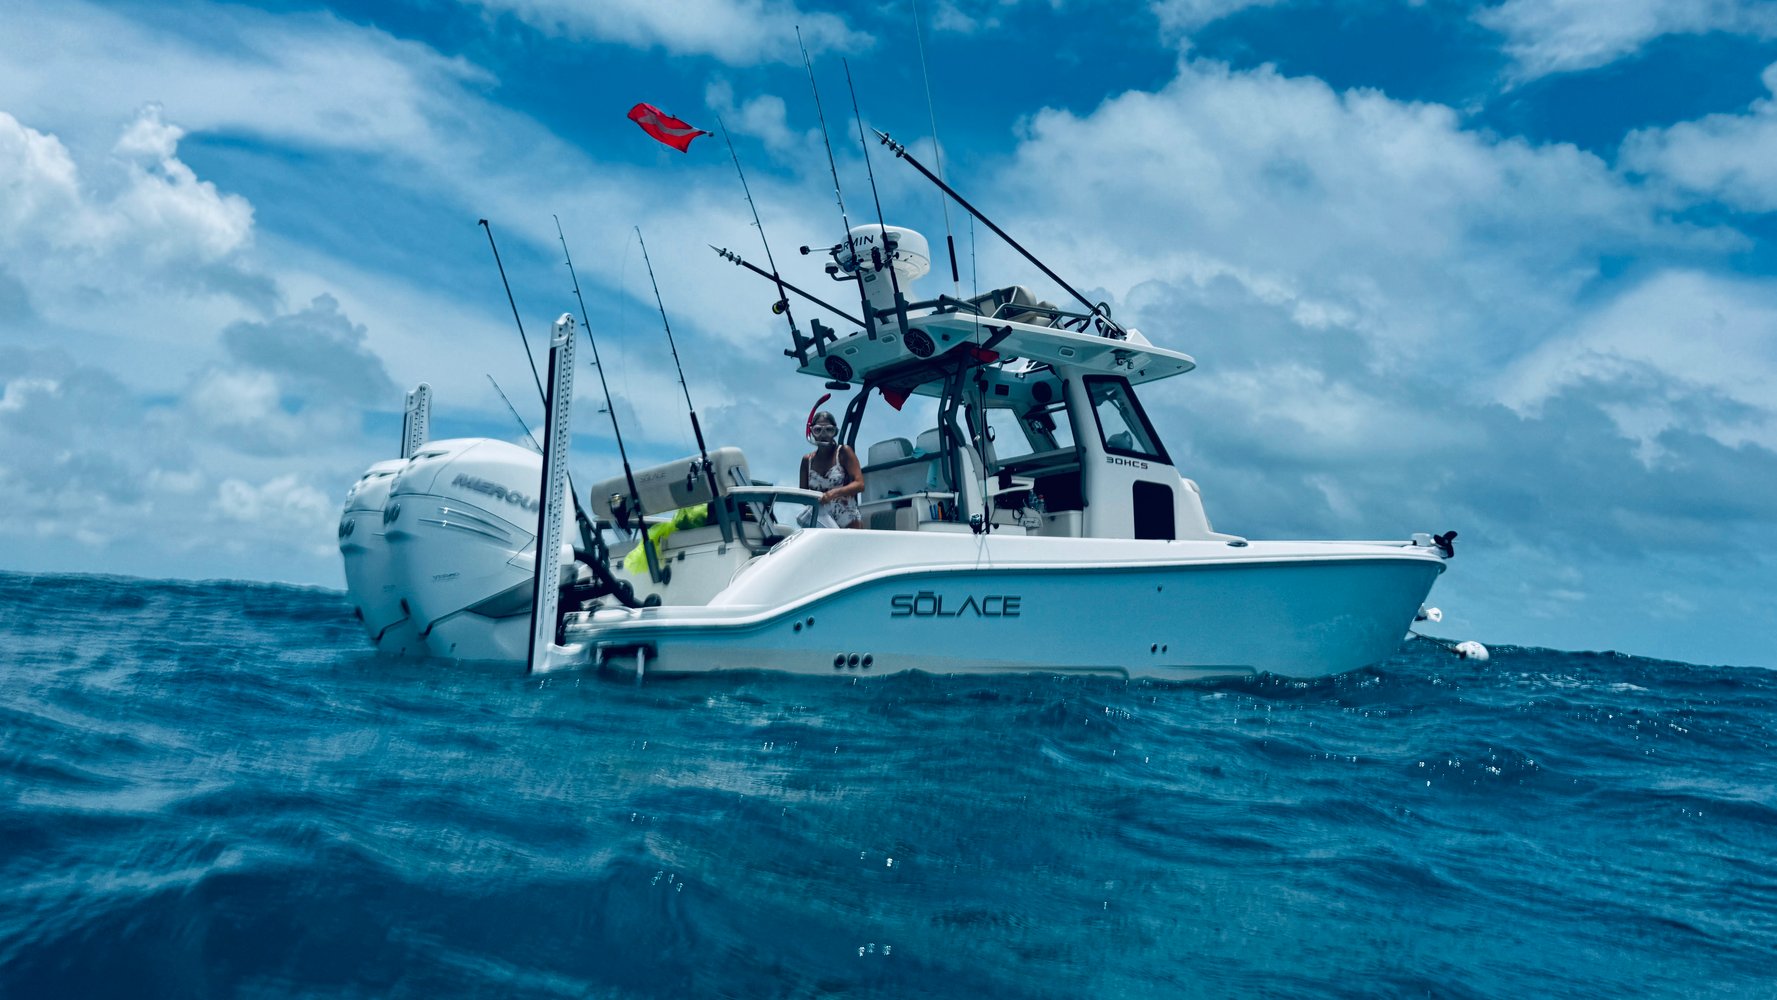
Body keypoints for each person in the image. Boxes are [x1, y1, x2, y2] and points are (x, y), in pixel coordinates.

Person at [800, 410, 865, 528]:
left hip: (848, 521)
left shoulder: (843, 452)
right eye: (818, 430)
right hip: (821, 522)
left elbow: (860, 484)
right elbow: (804, 497)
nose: (823, 435)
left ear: (835, 432)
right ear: (811, 432)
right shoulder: (807, 460)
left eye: (829, 430)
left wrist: (834, 493)